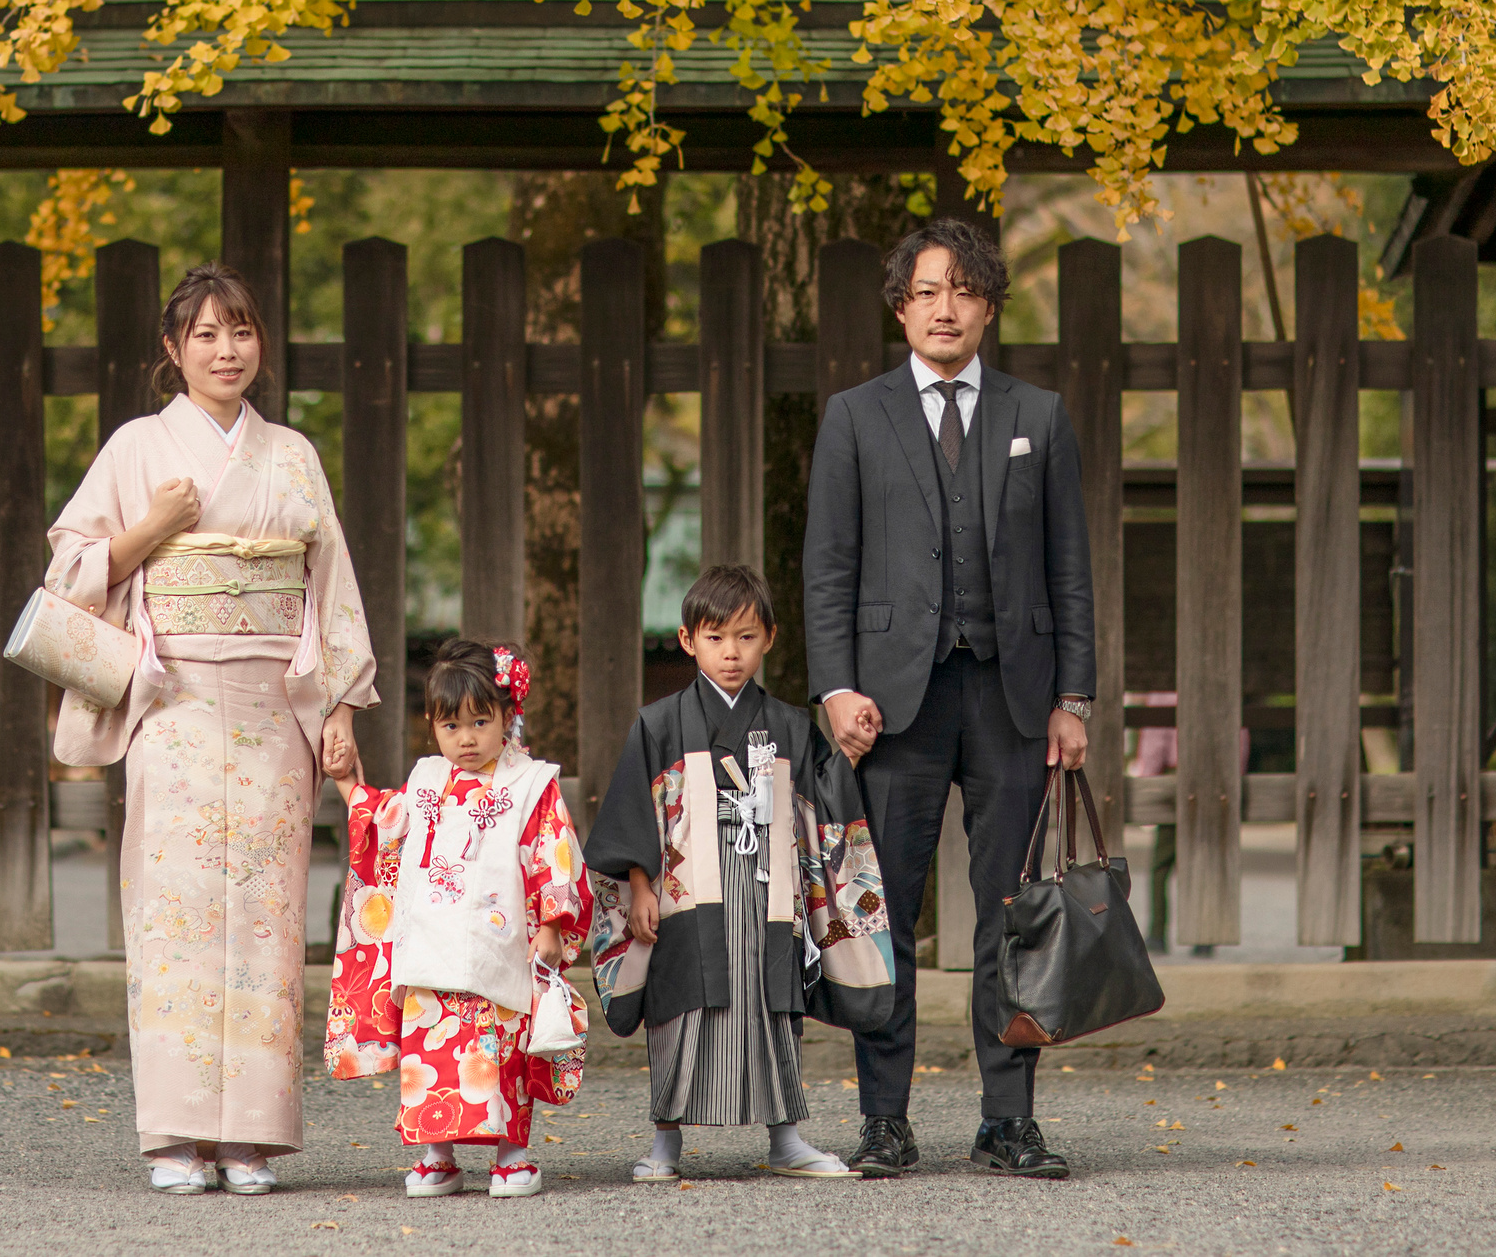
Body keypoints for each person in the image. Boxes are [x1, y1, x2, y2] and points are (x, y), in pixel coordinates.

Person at [44, 262, 379, 1196]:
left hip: (276, 707)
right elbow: (70, 572)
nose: (226, 350)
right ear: (172, 350)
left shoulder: (293, 454)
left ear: (259, 343)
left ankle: (253, 1135)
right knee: (176, 910)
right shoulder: (135, 448)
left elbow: (332, 588)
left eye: (241, 332)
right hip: (175, 700)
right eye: (205, 335)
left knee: (268, 914)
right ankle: (176, 1133)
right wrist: (147, 529)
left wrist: (342, 704)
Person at [802, 216, 1096, 1181]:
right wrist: (837, 686)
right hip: (894, 705)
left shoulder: (1038, 415)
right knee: (887, 912)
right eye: (927, 290)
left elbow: (1069, 570)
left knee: (1010, 914)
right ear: (901, 306)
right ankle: (885, 1119)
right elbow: (830, 566)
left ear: (988, 306)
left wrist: (1075, 698)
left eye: (963, 289)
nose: (945, 306)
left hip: (1013, 699)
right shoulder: (856, 415)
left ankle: (1007, 1119)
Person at [581, 563, 894, 1183]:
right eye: (716, 637)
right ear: (686, 639)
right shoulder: (659, 723)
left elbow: (822, 809)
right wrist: (640, 886)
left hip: (767, 894)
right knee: (680, 1010)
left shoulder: (789, 725)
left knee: (774, 1008)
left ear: (769, 639)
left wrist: (850, 753)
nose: (731, 653)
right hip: (685, 897)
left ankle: (787, 1139)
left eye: (745, 638)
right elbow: (628, 816)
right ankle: (664, 1144)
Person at [320, 639, 590, 1199]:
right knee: (434, 1052)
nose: (466, 739)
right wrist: (348, 782)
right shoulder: (424, 781)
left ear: (508, 716)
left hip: (502, 942)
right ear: (432, 726)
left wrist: (551, 923)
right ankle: (437, 1153)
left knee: (503, 1048)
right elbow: (385, 830)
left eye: (480, 722)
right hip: (432, 945)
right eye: (451, 726)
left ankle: (511, 1155)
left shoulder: (531, 783)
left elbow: (554, 852)